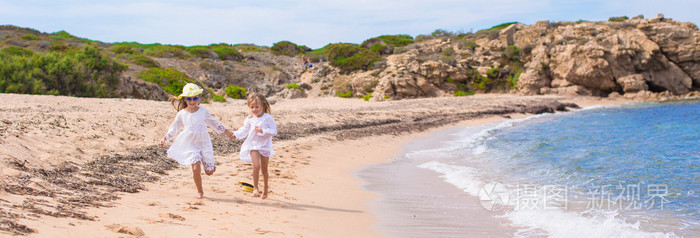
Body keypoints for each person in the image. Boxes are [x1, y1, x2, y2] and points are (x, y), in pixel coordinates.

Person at [160, 83, 234, 199]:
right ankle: (200, 192)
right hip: (190, 144)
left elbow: (213, 122)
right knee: (196, 168)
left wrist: (227, 131)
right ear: (185, 99)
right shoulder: (181, 114)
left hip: (204, 143)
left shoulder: (203, 111)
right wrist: (165, 138)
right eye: (189, 98)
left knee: (209, 172)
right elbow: (174, 128)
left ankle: (211, 167)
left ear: (199, 97)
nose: (192, 101)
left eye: (195, 98)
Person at [232, 92, 277, 199]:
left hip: (265, 146)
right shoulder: (249, 119)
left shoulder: (267, 118)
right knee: (256, 166)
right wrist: (235, 134)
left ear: (263, 105)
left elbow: (274, 131)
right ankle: (255, 188)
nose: (254, 109)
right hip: (252, 145)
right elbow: (244, 130)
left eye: (257, 107)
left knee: (264, 170)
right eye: (252, 107)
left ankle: (265, 188)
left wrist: (263, 131)